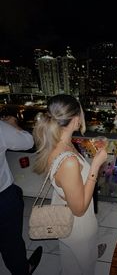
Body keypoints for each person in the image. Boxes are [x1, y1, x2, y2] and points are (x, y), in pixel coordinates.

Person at [33, 94, 108, 275]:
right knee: (85, 267)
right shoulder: (68, 161)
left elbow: (68, 181)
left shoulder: (56, 143)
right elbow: (80, 209)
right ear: (75, 119)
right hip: (78, 226)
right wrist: (95, 166)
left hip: (65, 216)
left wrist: (95, 149)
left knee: (70, 264)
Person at [0, 115, 42, 275]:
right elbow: (28, 141)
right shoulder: (2, 128)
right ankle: (23, 270)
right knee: (11, 241)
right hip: (3, 197)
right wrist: (12, 125)